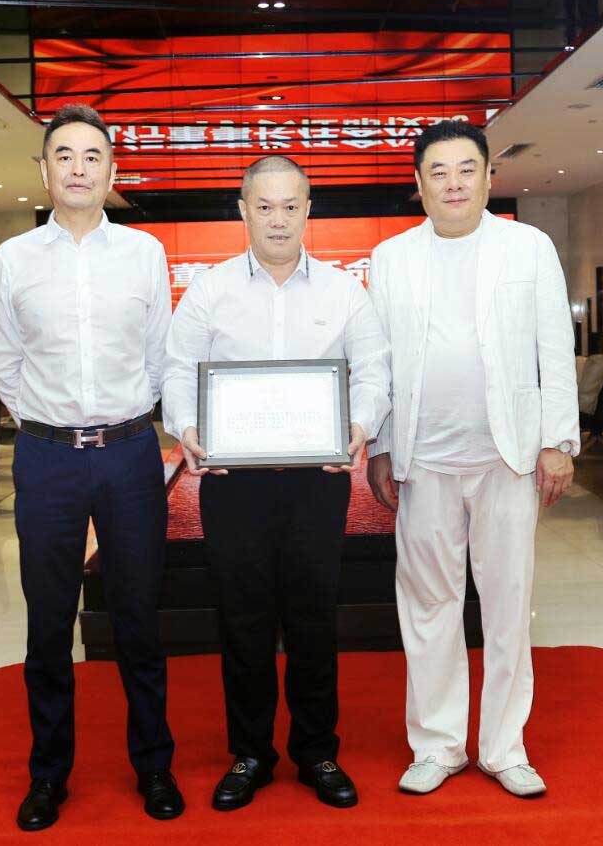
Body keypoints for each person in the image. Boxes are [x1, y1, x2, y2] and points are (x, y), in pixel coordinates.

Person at [162, 156, 390, 812]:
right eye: (264, 206)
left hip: (317, 481)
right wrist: (188, 426)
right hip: (233, 485)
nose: (279, 219)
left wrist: (358, 426)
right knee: (243, 621)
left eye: (291, 205)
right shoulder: (209, 291)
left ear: (308, 210)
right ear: (243, 211)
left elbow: (374, 370)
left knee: (314, 618)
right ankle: (250, 754)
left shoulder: (345, 291)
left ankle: (317, 751)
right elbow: (177, 369)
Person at [365, 120, 578, 799]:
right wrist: (381, 445)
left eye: (466, 169)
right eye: (438, 171)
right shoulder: (391, 258)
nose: (453, 183)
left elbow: (554, 349)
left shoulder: (527, 247)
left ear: (489, 177)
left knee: (508, 604)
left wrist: (557, 441)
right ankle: (437, 744)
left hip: (506, 457)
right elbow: (379, 363)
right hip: (423, 458)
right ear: (419, 183)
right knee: (429, 606)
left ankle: (504, 746)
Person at [0, 104, 184, 830]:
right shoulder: (14, 258)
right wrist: (45, 424)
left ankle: (153, 765)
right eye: (64, 155)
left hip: (129, 454)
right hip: (46, 459)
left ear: (111, 172)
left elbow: (160, 356)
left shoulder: (143, 252)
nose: (78, 168)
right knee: (47, 624)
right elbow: (5, 360)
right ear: (44, 171)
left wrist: (128, 423)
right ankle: (48, 775)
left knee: (138, 618)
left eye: (92, 156)